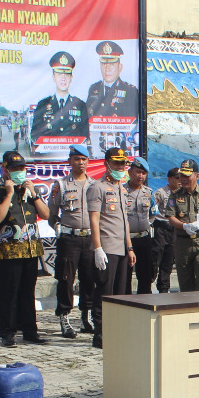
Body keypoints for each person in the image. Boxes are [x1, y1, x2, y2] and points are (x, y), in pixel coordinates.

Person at [0, 150, 50, 346]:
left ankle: (30, 330)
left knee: (27, 292)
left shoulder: (30, 190)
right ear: (5, 169)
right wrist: (9, 193)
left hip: (31, 249)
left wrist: (35, 195)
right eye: (14, 169)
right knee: (9, 292)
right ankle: (8, 331)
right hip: (9, 250)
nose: (19, 172)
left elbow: (46, 215)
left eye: (22, 168)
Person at [88, 147, 136, 348]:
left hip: (122, 249)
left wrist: (130, 248)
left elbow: (124, 221)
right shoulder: (97, 187)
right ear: (107, 163)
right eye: (116, 163)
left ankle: (116, 331)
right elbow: (94, 219)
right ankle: (100, 333)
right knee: (104, 293)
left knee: (120, 294)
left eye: (123, 163)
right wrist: (97, 248)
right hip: (106, 248)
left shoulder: (121, 188)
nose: (120, 167)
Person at [49, 145, 98, 338]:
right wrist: (57, 227)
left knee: (89, 278)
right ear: (70, 161)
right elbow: (51, 213)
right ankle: (64, 316)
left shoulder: (94, 184)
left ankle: (86, 316)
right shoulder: (60, 185)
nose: (81, 163)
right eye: (77, 159)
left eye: (84, 159)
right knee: (66, 278)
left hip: (90, 238)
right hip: (69, 238)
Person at [167, 159, 199, 292]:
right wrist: (184, 226)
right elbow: (171, 216)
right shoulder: (175, 195)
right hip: (183, 244)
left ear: (197, 176)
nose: (183, 179)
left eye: (187, 176)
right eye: (181, 175)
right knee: (185, 283)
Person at [30, 51, 89, 144]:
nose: (63, 78)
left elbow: (85, 135)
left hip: (72, 155)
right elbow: (34, 134)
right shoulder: (43, 104)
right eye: (59, 74)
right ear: (53, 77)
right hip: (48, 156)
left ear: (71, 78)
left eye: (66, 74)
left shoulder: (80, 105)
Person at [124, 157, 157, 295]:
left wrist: (146, 225)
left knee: (145, 276)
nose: (140, 176)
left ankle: (144, 307)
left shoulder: (149, 193)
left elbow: (153, 214)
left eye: (144, 173)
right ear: (130, 172)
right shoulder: (121, 191)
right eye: (138, 172)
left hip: (144, 238)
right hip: (126, 240)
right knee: (125, 276)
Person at [86, 41, 139, 119]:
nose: (107, 69)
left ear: (120, 67)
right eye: (104, 64)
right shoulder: (94, 88)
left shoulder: (131, 91)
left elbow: (134, 121)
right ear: (100, 66)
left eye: (112, 64)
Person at [148, 167, 179, 294]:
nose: (180, 181)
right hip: (161, 227)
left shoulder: (181, 193)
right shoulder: (161, 193)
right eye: (177, 178)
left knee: (168, 261)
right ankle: (149, 282)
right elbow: (152, 209)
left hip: (174, 229)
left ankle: (164, 288)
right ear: (170, 179)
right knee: (155, 258)